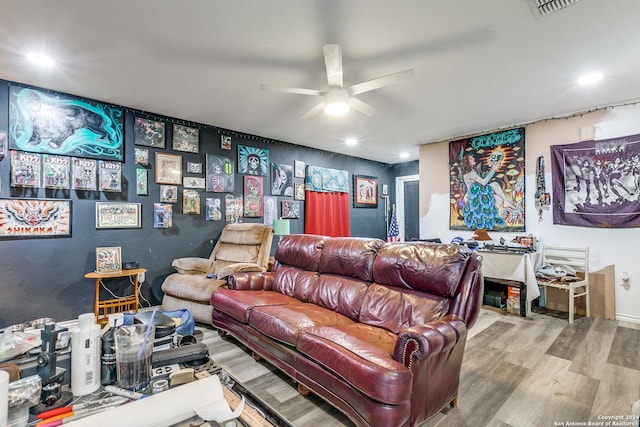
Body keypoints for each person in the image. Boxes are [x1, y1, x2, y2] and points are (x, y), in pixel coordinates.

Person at [461, 151, 514, 229]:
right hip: (475, 197)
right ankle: (493, 213)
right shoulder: (470, 174)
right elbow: (484, 182)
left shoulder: (474, 171)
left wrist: (495, 165)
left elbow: (484, 177)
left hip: (481, 192)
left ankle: (505, 203)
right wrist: (493, 170)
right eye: (471, 159)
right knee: (496, 191)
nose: (474, 159)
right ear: (468, 162)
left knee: (497, 190)